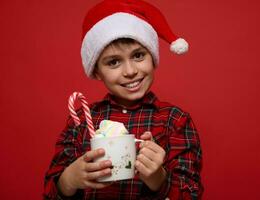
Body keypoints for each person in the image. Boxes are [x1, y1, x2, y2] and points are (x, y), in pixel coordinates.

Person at [44, 0, 203, 199]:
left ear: (153, 57)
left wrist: (158, 179)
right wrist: (70, 179)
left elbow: (191, 194)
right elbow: (50, 193)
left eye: (138, 55)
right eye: (114, 62)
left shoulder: (175, 120)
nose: (130, 71)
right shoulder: (82, 121)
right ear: (97, 71)